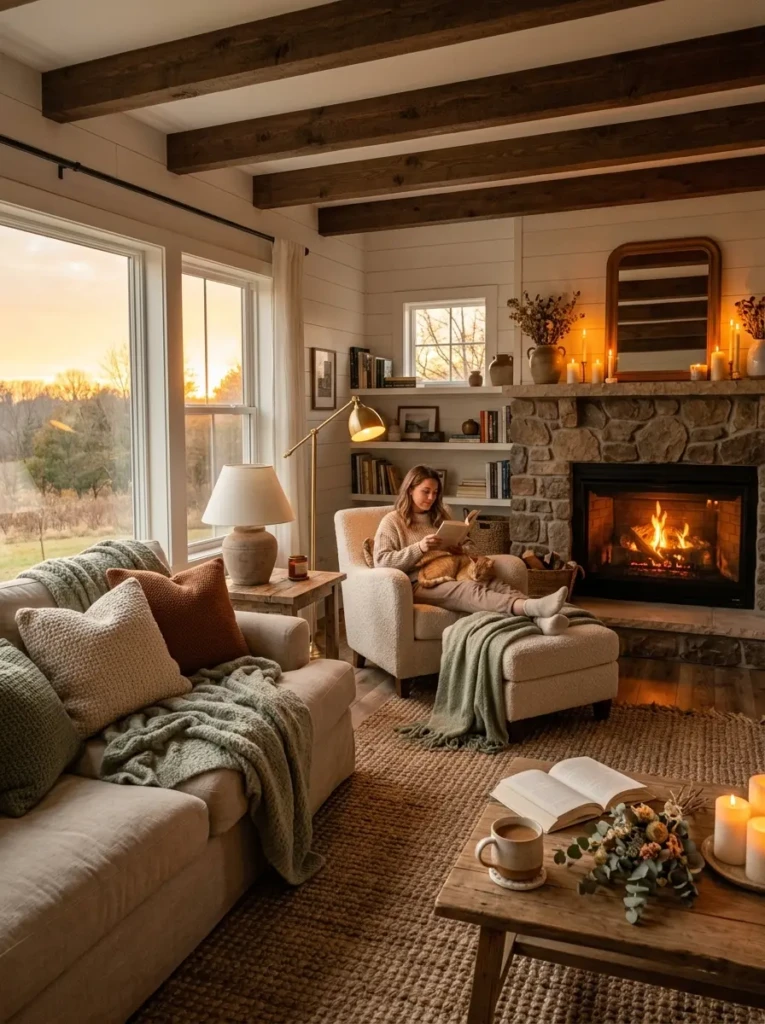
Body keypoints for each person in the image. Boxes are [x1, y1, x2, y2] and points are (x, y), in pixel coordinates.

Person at [373, 464, 569, 635]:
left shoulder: (441, 515)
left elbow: (470, 546)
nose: (432, 497)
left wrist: (461, 547)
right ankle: (531, 607)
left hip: (456, 569)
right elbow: (381, 562)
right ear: (410, 489)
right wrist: (419, 548)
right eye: (426, 491)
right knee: (470, 589)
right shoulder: (392, 521)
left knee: (494, 583)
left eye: (435, 493)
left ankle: (541, 619)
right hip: (419, 582)